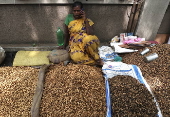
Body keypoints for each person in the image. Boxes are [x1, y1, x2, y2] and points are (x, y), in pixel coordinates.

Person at [63, 1, 103, 66]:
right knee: (76, 58)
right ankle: (95, 62)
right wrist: (64, 45)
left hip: (85, 42)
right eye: (74, 11)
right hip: (75, 43)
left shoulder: (87, 20)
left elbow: (90, 33)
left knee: (89, 39)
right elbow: (67, 33)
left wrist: (85, 19)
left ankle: (97, 58)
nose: (76, 13)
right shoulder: (69, 18)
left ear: (82, 10)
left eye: (78, 11)